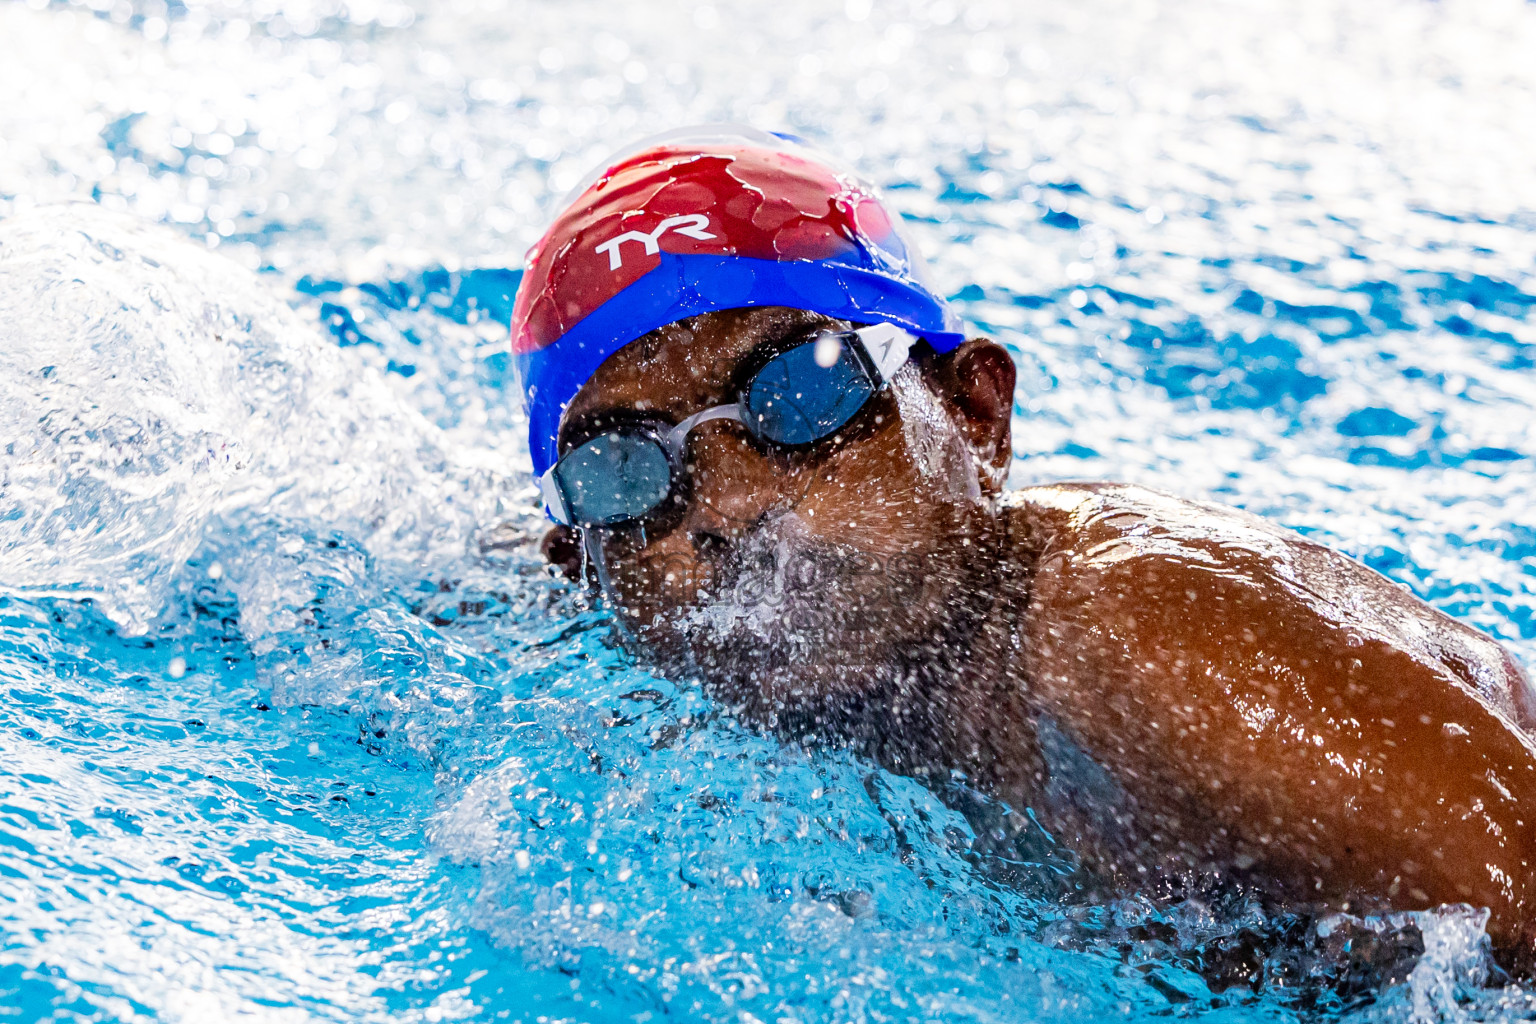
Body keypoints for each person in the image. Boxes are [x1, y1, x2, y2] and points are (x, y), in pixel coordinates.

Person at [510, 127, 1536, 962]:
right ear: (588, 570)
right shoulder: (668, 704)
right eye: (626, 466)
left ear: (974, 417)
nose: (727, 500)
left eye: (804, 391)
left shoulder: (1148, 626)